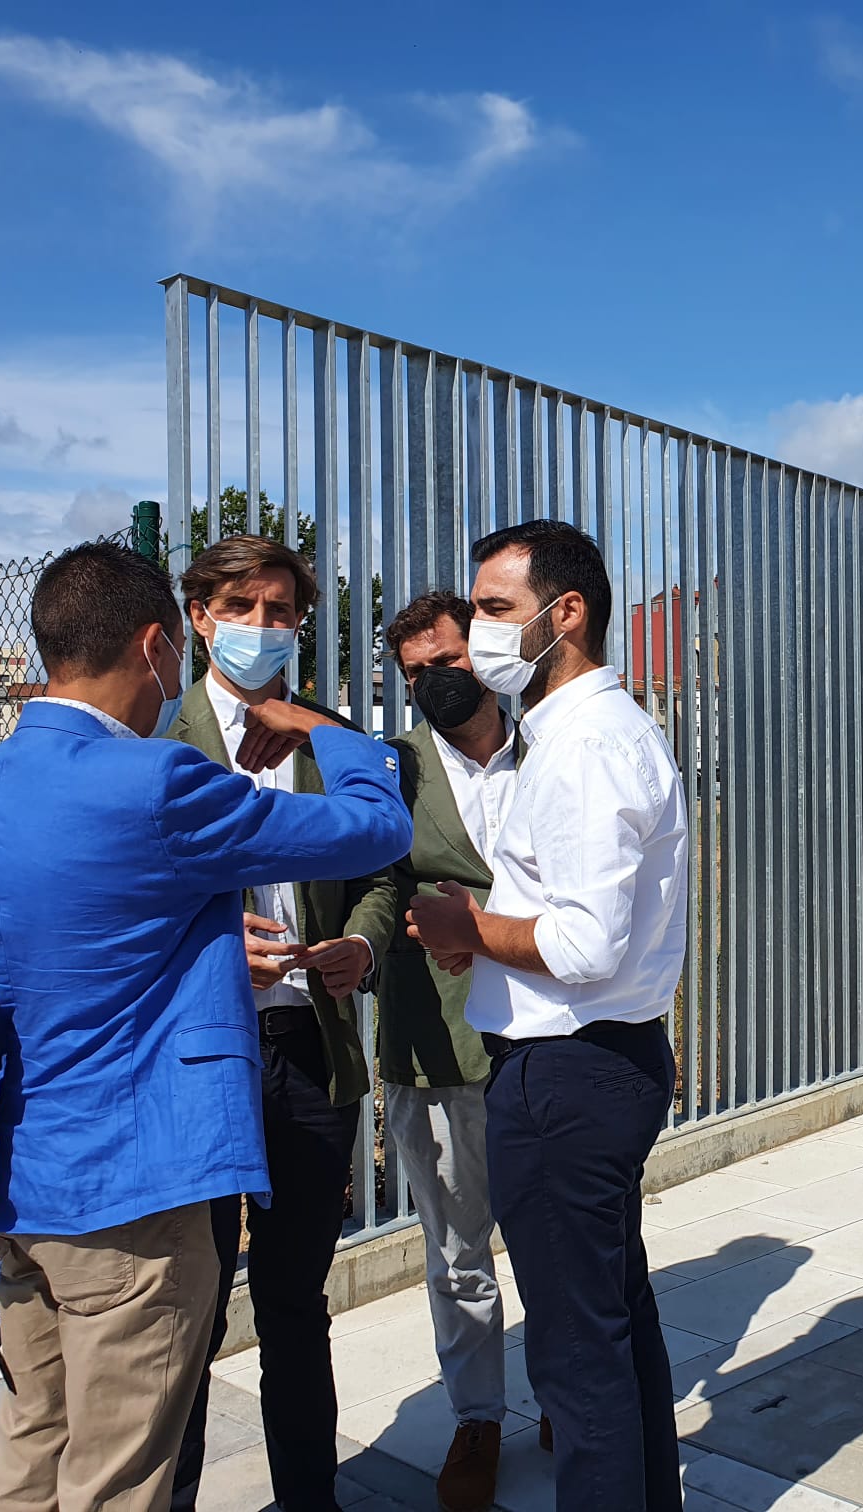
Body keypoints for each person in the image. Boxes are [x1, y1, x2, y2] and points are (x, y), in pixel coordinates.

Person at [0, 541, 410, 1512]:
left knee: (33, 1454)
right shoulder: (153, 779)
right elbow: (377, 830)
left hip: (23, 1182)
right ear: (163, 644)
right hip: (134, 1192)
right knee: (121, 1478)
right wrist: (331, 730)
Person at [407, 520, 688, 1512]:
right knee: (614, 1327)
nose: (477, 632)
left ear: (564, 614)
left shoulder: (584, 744)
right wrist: (482, 934)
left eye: (493, 609)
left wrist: (467, 925)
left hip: (568, 1076)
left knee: (578, 1362)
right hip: (595, 1064)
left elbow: (584, 945)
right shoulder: (576, 733)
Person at [166, 535, 386, 1512]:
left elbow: (383, 872)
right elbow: (132, 901)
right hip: (202, 1059)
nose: (262, 628)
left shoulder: (326, 734)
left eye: (281, 611)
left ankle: (311, 1500)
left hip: (311, 1047)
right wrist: (219, 949)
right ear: (199, 617)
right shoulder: (159, 746)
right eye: (242, 608)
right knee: (187, 1311)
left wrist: (363, 948)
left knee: (297, 1301)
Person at [345, 590, 517, 1511]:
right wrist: (368, 947)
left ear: (481, 653)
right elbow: (378, 881)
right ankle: (478, 1417)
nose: (432, 683)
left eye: (446, 662)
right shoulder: (396, 769)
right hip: (436, 1035)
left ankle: (574, 1390)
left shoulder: (551, 749)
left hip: (545, 1034)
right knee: (458, 1250)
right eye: (414, 674)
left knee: (568, 1235)